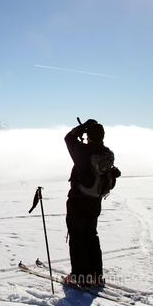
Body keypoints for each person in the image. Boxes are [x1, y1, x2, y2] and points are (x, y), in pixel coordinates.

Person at [64, 118, 113, 287]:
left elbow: (68, 138)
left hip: (78, 199)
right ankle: (96, 274)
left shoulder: (83, 152)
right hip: (95, 201)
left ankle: (79, 276)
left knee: (77, 236)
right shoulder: (107, 153)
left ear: (88, 136)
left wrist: (81, 127)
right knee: (91, 235)